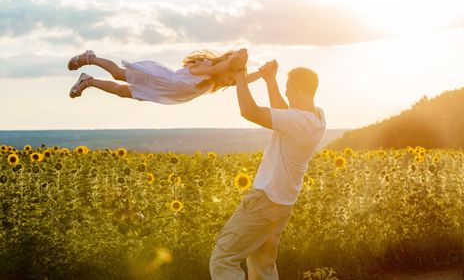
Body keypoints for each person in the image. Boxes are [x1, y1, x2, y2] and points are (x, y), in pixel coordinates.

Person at [210, 49, 326, 280]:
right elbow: (286, 113)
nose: (286, 93)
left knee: (223, 258)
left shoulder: (298, 120)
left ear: (297, 90)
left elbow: (249, 111)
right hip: (282, 204)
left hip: (264, 201)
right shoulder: (317, 117)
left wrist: (241, 74)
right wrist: (270, 81)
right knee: (263, 267)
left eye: (287, 90)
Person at [67, 48, 265, 104]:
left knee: (121, 92)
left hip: (163, 92)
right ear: (224, 67)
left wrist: (262, 74)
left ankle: (88, 81)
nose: (229, 83)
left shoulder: (212, 83)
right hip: (159, 80)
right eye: (230, 78)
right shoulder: (205, 69)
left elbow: (243, 81)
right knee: (118, 74)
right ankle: (90, 58)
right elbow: (216, 70)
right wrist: (236, 60)